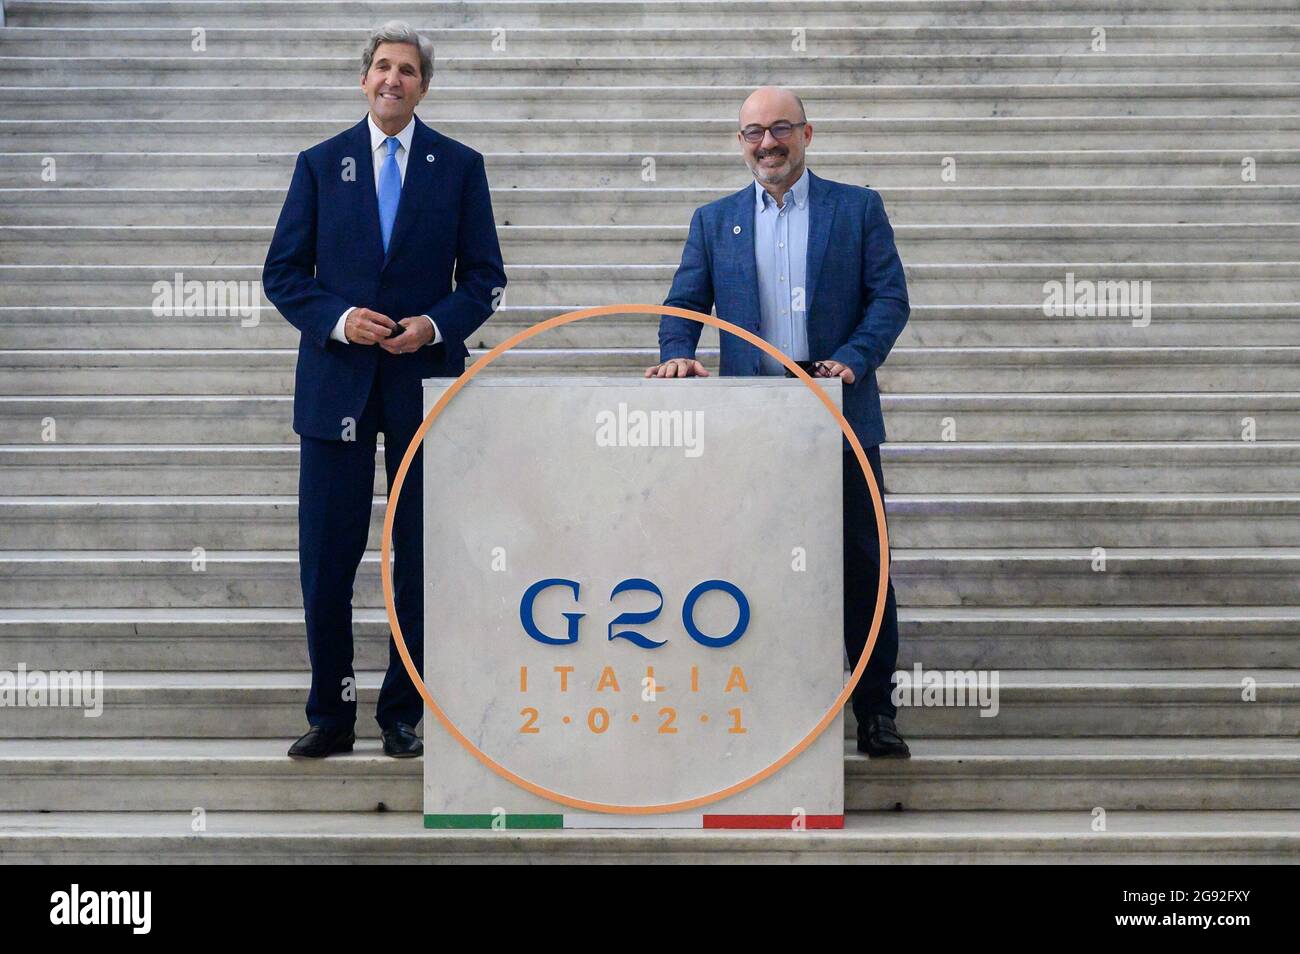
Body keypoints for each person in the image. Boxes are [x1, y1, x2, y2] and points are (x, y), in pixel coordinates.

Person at [263, 21, 506, 759]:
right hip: (334, 387)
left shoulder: (459, 166)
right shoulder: (319, 163)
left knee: (420, 557)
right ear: (364, 80)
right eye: (380, 67)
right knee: (327, 560)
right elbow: (282, 274)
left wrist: (433, 325)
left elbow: (486, 280)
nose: (392, 79)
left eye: (406, 69)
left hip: (423, 388)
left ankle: (402, 715)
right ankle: (331, 715)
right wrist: (339, 320)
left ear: (423, 85)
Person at [645, 86, 911, 757]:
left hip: (838, 410)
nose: (768, 143)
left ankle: (875, 710)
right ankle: (769, 709)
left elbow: (889, 298)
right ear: (741, 142)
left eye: (781, 129)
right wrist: (677, 355)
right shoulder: (715, 220)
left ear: (808, 134)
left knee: (862, 560)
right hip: (752, 420)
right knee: (754, 564)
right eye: (754, 132)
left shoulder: (857, 208)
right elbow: (683, 304)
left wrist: (852, 359)